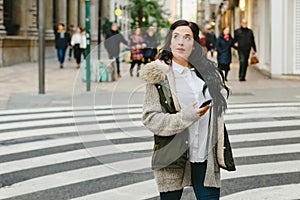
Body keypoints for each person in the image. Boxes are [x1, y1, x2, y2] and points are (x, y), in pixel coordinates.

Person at [140, 20, 231, 200]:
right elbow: (150, 118)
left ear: (195, 45)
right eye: (176, 37)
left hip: (206, 156)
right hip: (174, 157)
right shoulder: (160, 75)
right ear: (170, 42)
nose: (181, 42)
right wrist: (186, 117)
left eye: (187, 37)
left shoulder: (208, 74)